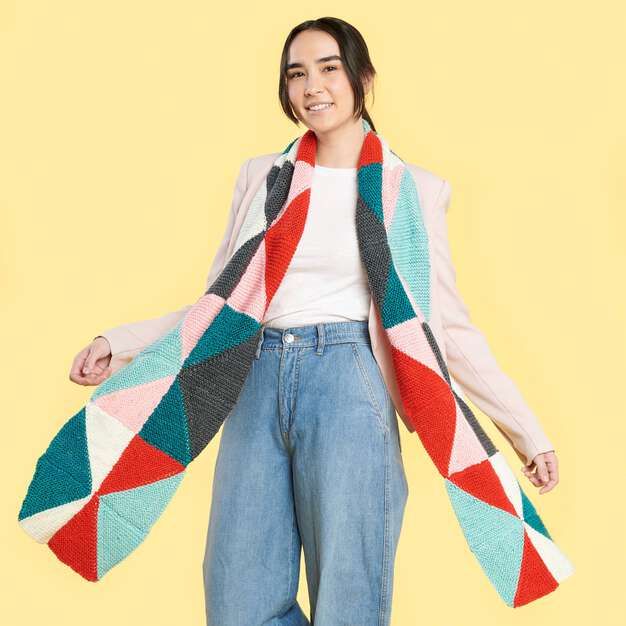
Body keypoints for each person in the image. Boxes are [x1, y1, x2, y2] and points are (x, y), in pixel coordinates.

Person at [68, 16, 559, 626]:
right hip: (252, 377)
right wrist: (119, 345)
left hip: (351, 381)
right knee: (238, 599)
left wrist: (525, 433)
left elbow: (448, 330)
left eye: (329, 68)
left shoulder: (416, 191)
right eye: (297, 73)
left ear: (362, 79)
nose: (312, 86)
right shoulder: (263, 178)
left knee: (349, 597)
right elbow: (217, 304)